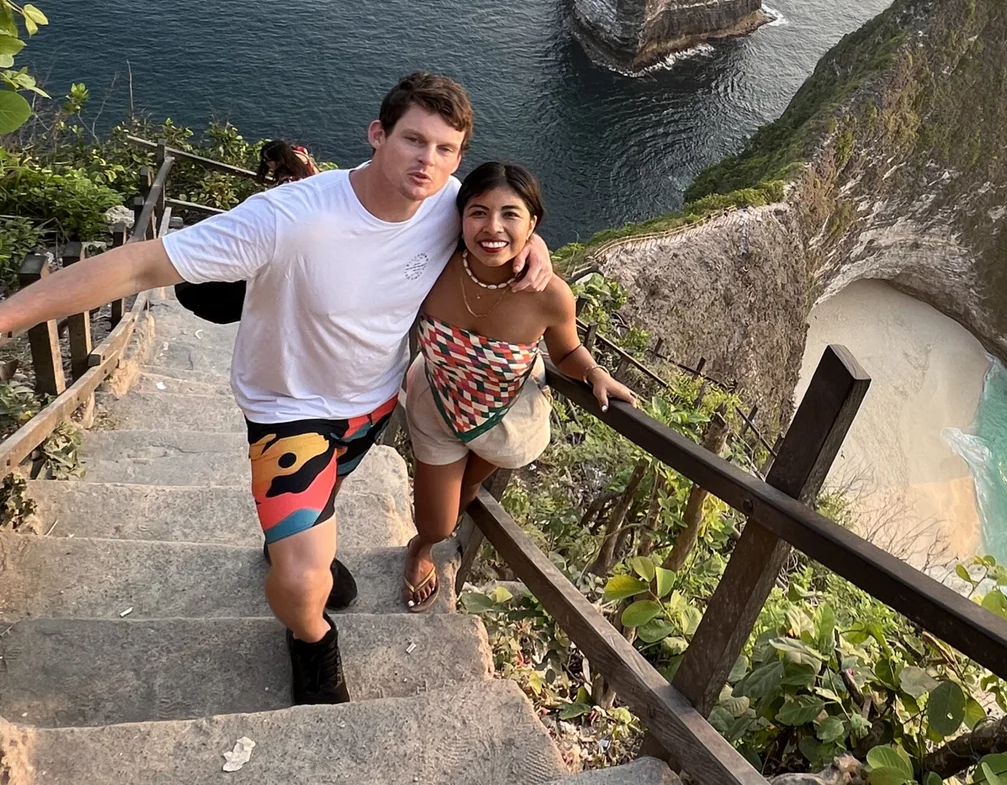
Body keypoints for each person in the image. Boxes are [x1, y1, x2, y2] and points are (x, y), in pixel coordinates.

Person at [0, 73, 555, 706]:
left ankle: (296, 537)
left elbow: (497, 225)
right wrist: (9, 317)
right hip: (288, 414)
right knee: (300, 582)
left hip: (372, 407)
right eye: (413, 140)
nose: (427, 161)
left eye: (445, 149)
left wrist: (534, 247)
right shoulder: (290, 216)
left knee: (325, 500)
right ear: (378, 135)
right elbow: (138, 264)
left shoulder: (448, 204)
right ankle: (312, 636)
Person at [400, 161, 635, 610]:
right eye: (478, 212)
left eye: (510, 214)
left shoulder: (549, 295)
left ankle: (438, 531)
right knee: (436, 522)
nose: (493, 227)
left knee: (468, 489)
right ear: (459, 218)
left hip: (502, 417)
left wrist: (593, 372)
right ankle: (422, 545)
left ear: (532, 223)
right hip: (438, 403)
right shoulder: (432, 265)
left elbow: (566, 351)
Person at [173, 138, 320, 325]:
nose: (267, 164)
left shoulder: (288, 183)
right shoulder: (301, 160)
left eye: (268, 160)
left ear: (278, 160)